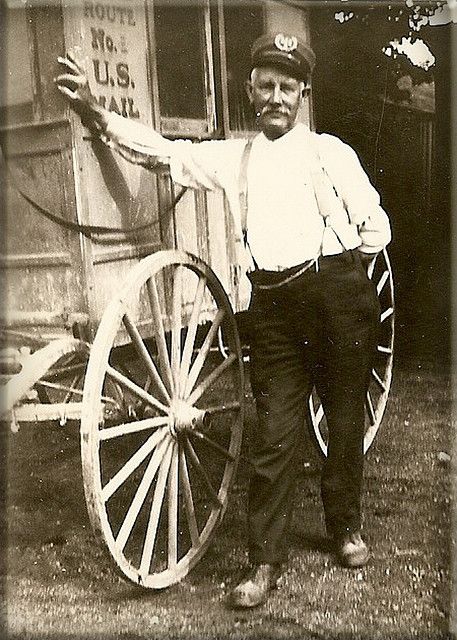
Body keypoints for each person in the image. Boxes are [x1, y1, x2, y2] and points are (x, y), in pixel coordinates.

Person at [56, 32, 391, 609]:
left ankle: (346, 527)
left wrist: (344, 277)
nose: (277, 98)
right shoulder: (232, 158)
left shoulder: (330, 153)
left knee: (341, 419)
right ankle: (264, 561)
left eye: (288, 87)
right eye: (267, 86)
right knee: (274, 433)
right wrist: (95, 110)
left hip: (337, 298)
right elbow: (159, 152)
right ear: (250, 91)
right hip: (275, 308)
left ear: (303, 93)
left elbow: (375, 226)